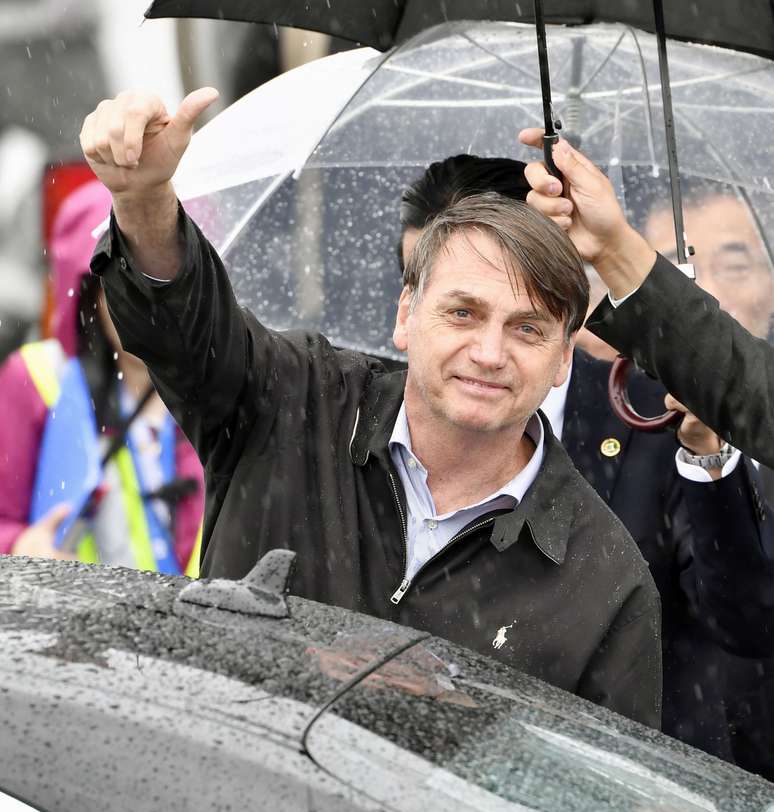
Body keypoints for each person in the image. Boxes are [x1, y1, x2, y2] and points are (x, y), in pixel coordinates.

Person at [78, 89, 662, 726]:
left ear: (563, 359)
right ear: (405, 315)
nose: (490, 352)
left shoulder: (603, 578)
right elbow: (181, 329)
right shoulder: (293, 399)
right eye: (463, 313)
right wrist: (142, 200)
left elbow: (587, 804)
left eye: (527, 329)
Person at [398, 155, 774, 770]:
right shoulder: (376, 425)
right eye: (450, 302)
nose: (481, 347)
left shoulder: (651, 409)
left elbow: (743, 616)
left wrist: (707, 452)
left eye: (501, 300)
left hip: (635, 780)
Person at [518, 128, 774, 470]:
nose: (708, 294)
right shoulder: (622, 424)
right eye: (677, 273)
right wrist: (611, 250)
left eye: (735, 266)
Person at [0, 179, 204, 574]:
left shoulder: (229, 391)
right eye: (124, 281)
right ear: (89, 291)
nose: (146, 301)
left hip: (198, 632)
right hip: (75, 628)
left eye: (163, 278)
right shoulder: (38, 380)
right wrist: (20, 545)